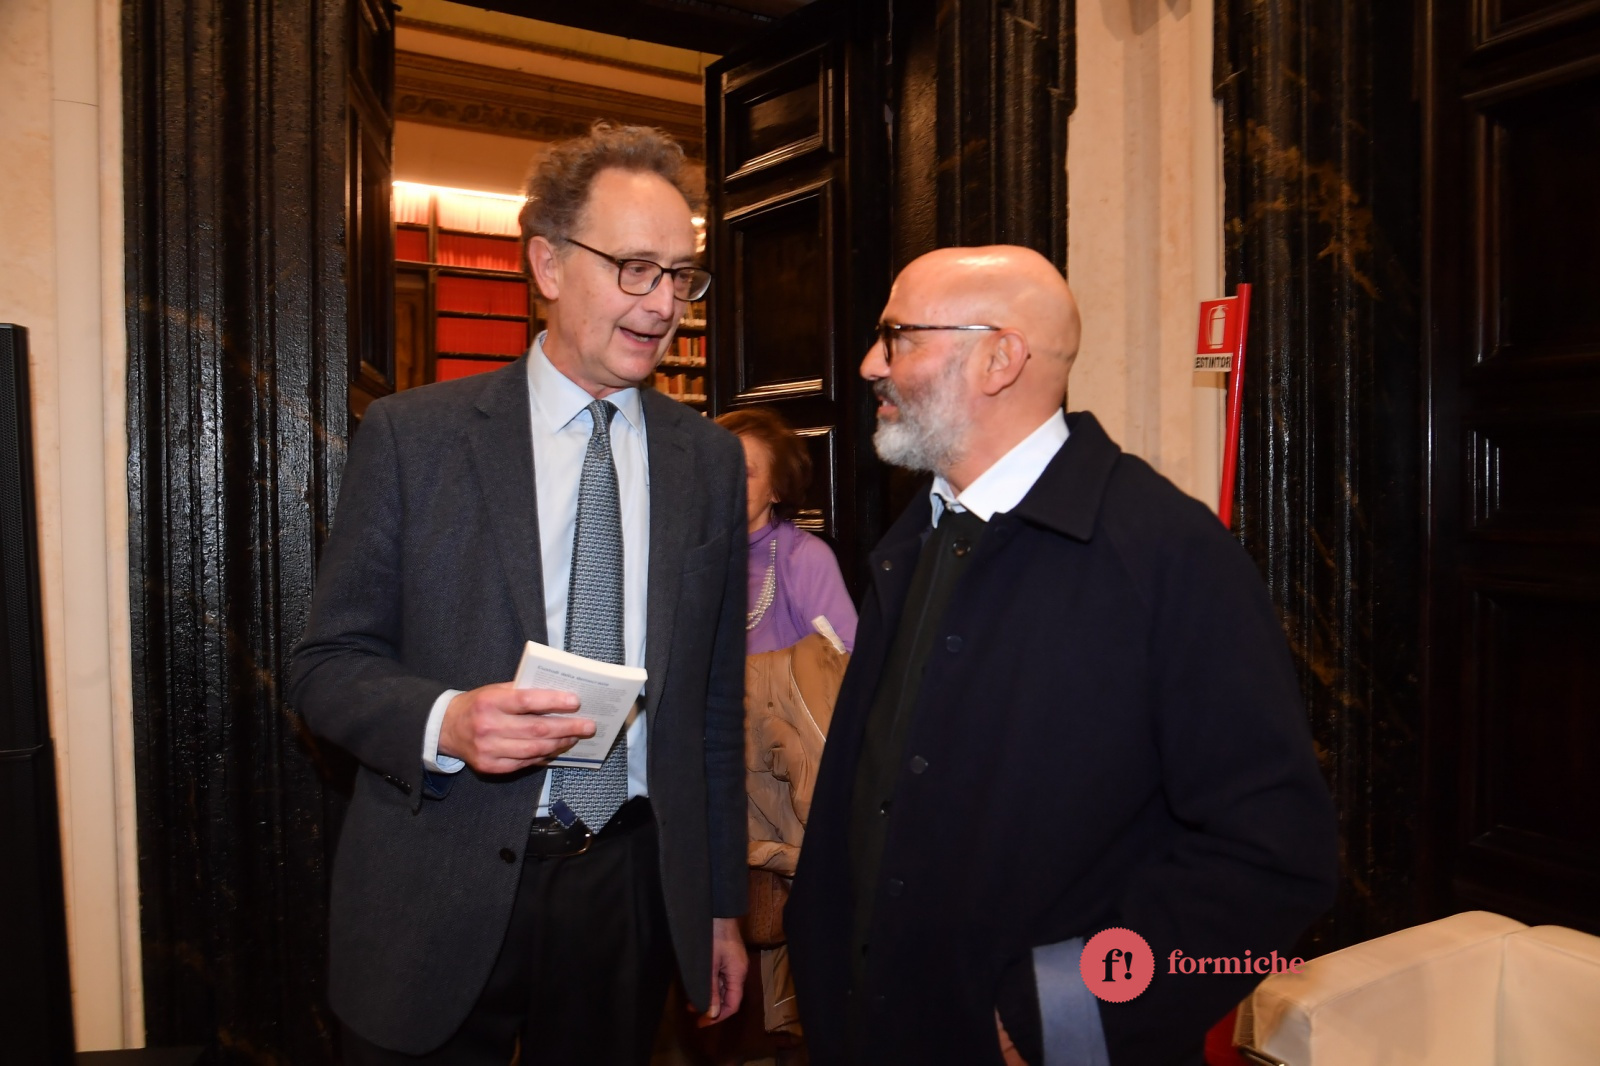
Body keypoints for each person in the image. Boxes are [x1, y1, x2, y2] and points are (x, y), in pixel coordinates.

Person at [783, 246, 1339, 1065]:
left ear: (1000, 358)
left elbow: (1275, 856)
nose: (871, 363)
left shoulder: (1167, 552)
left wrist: (1069, 1009)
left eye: (898, 336)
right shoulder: (915, 538)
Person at [289, 123, 748, 1065]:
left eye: (680, 276)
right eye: (635, 269)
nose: (665, 304)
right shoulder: (415, 437)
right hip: (436, 878)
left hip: (625, 890)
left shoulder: (708, 461)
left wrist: (717, 904)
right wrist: (447, 721)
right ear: (546, 263)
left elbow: (712, 708)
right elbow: (325, 665)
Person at [715, 406, 858, 654]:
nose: (725, 481)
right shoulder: (689, 555)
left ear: (776, 490)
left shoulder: (805, 557)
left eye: (744, 472)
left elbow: (845, 657)